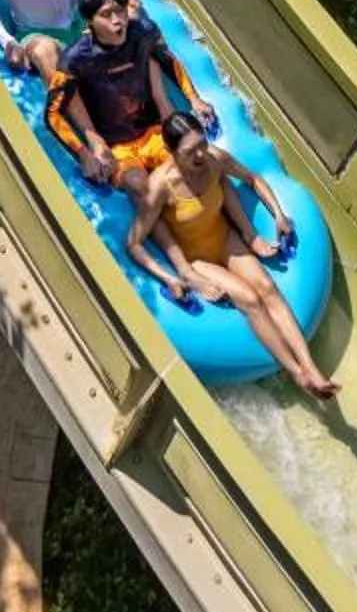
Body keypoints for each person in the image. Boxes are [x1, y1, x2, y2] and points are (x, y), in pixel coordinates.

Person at [127, 112, 339, 399]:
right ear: (171, 153)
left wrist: (278, 215)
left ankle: (311, 367)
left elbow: (253, 179)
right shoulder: (160, 187)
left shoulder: (215, 160)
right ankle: (298, 374)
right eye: (190, 152)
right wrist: (172, 277)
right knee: (250, 299)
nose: (200, 154)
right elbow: (135, 243)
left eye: (202, 143)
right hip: (196, 258)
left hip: (225, 239)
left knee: (268, 289)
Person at [46, 0, 198, 186]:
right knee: (139, 185)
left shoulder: (144, 32)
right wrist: (84, 154)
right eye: (107, 14)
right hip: (117, 148)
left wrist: (194, 99)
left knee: (186, 172)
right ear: (90, 21)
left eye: (121, 10)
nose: (117, 20)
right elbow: (52, 113)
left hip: (154, 134)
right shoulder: (74, 60)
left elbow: (167, 60)